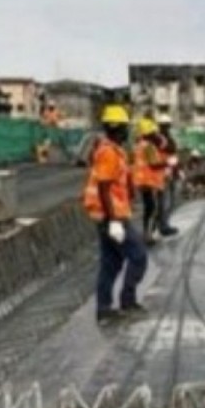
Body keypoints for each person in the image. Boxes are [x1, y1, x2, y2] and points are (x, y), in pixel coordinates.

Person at [85, 105, 148, 322]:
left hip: (109, 215)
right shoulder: (109, 152)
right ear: (120, 129)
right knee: (138, 255)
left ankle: (104, 310)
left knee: (111, 263)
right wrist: (113, 221)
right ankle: (127, 302)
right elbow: (103, 187)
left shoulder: (113, 150)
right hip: (111, 216)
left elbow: (115, 184)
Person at [133, 118, 170, 242]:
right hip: (149, 182)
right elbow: (154, 165)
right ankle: (148, 235)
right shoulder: (148, 146)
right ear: (148, 133)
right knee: (152, 208)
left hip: (142, 181)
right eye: (153, 132)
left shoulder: (139, 145)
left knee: (148, 207)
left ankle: (147, 233)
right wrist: (167, 163)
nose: (156, 134)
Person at [157, 114, 182, 233]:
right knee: (164, 201)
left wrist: (177, 170)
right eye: (164, 126)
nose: (166, 128)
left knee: (170, 200)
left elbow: (173, 154)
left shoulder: (167, 137)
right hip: (164, 172)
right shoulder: (160, 138)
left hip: (170, 171)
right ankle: (163, 225)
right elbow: (170, 149)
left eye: (167, 126)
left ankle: (164, 223)